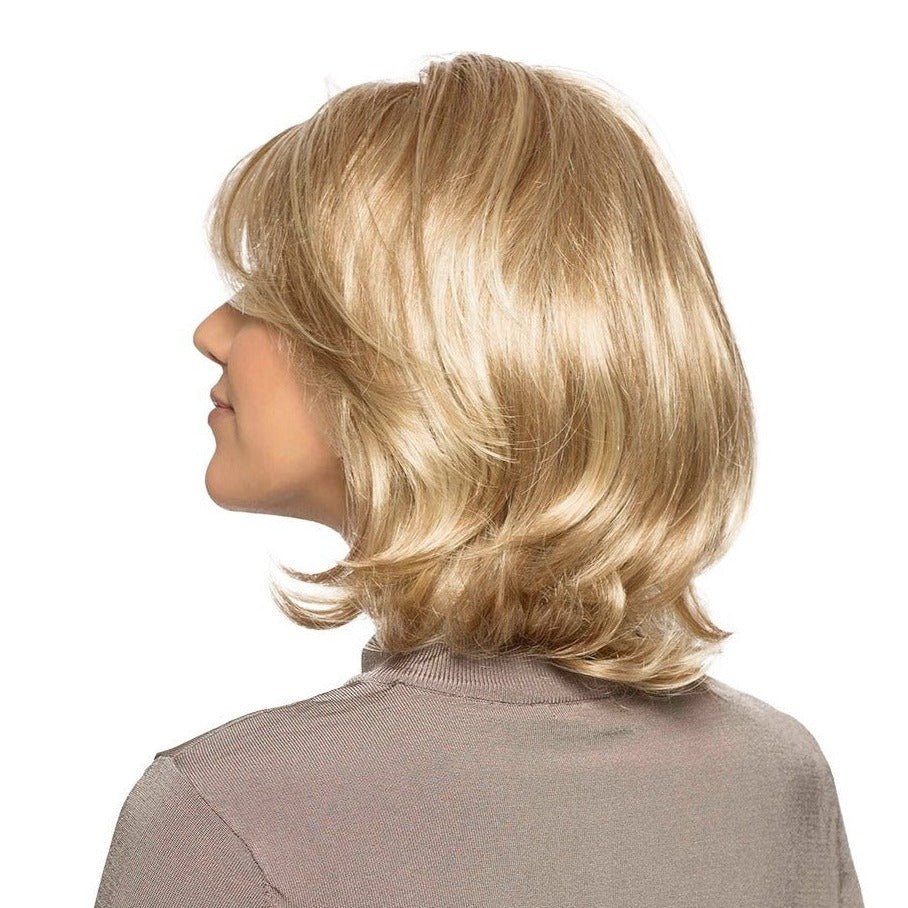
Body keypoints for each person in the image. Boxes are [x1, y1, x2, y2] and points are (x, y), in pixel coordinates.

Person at [93, 52, 863, 907]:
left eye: (272, 294)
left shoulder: (228, 820)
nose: (210, 331)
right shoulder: (775, 777)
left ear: (413, 360)